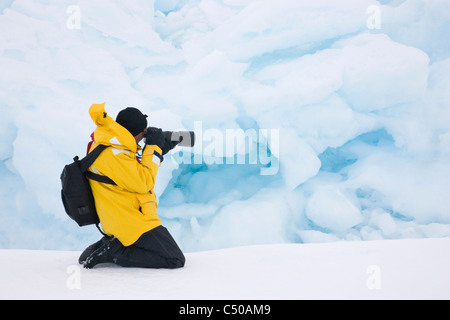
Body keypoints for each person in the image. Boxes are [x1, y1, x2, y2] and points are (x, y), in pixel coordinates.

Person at [79, 102, 185, 269]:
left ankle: (112, 242)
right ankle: (114, 251)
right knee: (175, 259)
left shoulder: (109, 143)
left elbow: (130, 173)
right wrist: (153, 148)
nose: (144, 137)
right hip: (131, 221)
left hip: (117, 216)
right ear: (134, 134)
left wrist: (159, 149)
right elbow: (144, 182)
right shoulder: (116, 154)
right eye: (143, 133)